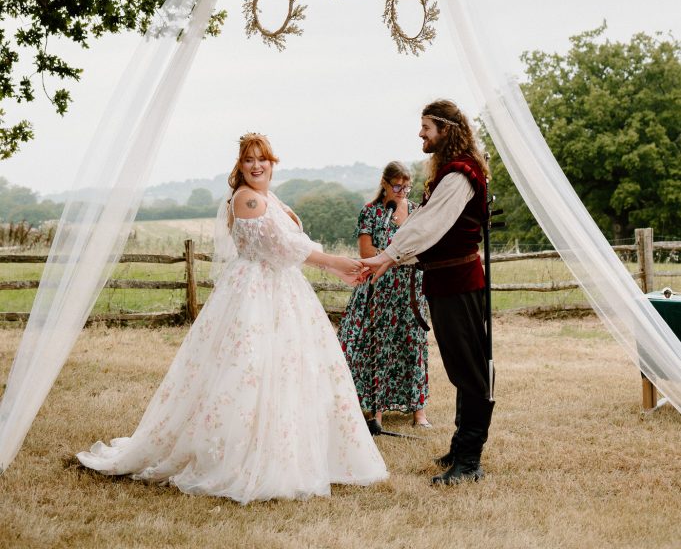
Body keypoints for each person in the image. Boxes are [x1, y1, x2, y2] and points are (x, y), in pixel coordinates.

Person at [77, 132, 388, 503]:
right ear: (240, 166)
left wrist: (340, 271)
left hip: (284, 290)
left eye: (263, 159)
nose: (257, 165)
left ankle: (290, 450)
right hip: (254, 292)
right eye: (249, 160)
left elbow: (292, 249)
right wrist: (337, 262)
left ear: (274, 162)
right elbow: (284, 246)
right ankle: (239, 455)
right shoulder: (247, 198)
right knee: (248, 370)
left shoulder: (272, 197)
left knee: (291, 371)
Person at [361, 100, 493, 485]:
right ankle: (460, 447)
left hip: (460, 284)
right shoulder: (450, 173)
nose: (420, 134)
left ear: (446, 130)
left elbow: (429, 225)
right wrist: (387, 259)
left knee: (470, 370)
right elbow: (422, 221)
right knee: (461, 368)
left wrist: (389, 254)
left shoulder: (460, 175)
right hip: (446, 282)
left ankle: (469, 461)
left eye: (426, 127)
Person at [337, 162, 430, 430]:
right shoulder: (372, 212)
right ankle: (375, 410)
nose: (402, 192)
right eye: (397, 186)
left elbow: (423, 245)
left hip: (410, 287)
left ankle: (419, 411)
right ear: (385, 183)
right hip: (379, 287)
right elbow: (367, 253)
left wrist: (395, 256)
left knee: (413, 343)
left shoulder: (415, 211)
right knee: (378, 345)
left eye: (407, 186)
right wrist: (396, 256)